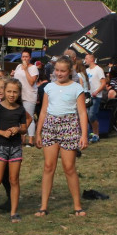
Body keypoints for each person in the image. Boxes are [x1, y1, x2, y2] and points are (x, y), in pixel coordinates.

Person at [34, 56, 89, 217]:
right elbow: (43, 111)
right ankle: (43, 206)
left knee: (69, 167)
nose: (59, 73)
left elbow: (82, 112)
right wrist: (38, 132)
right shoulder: (48, 88)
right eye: (57, 70)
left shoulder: (76, 88)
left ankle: (77, 206)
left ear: (70, 71)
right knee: (48, 166)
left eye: (63, 71)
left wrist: (84, 134)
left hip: (69, 126)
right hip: (50, 126)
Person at [0, 77, 31, 223]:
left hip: (15, 148)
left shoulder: (21, 109)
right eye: (9, 91)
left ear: (19, 93)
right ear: (3, 91)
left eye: (15, 92)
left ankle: (14, 212)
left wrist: (18, 129)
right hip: (1, 146)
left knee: (14, 180)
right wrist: (2, 133)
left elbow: (24, 128)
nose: (12, 94)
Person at [13, 49, 39, 147]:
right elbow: (16, 78)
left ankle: (31, 139)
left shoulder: (33, 68)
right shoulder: (18, 66)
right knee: (20, 117)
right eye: (23, 56)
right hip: (19, 95)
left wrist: (26, 70)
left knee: (29, 117)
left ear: (30, 58)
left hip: (29, 94)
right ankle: (22, 138)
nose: (25, 58)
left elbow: (32, 82)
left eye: (26, 56)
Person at [83, 53, 106, 143]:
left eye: (86, 58)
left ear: (92, 59)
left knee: (92, 115)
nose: (85, 60)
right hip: (88, 95)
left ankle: (96, 134)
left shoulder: (98, 69)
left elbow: (103, 83)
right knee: (87, 115)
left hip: (96, 96)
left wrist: (97, 91)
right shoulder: (87, 70)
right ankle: (89, 134)